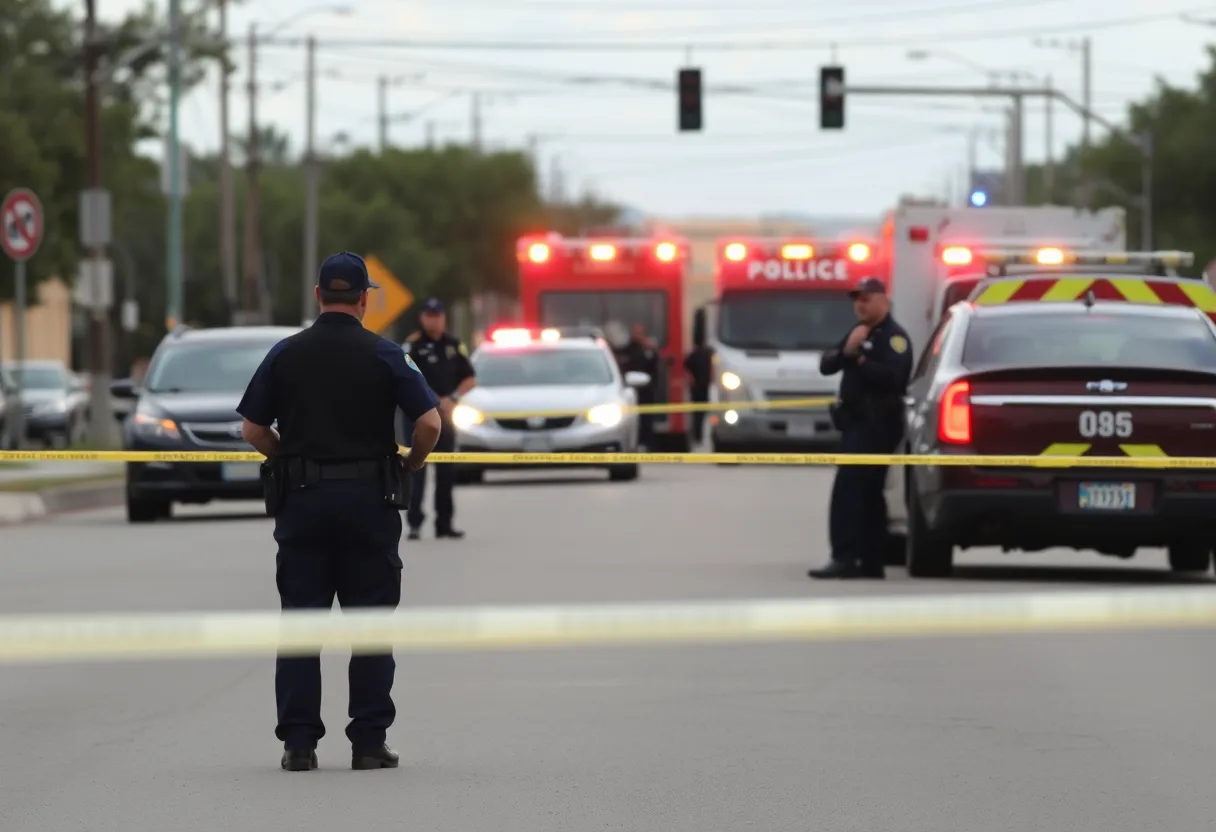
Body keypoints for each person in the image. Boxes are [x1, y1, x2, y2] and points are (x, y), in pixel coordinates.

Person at [236, 250, 443, 772]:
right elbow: (431, 424)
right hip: (369, 503)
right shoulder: (386, 354)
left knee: (302, 624)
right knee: (370, 624)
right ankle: (369, 742)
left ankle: (299, 745)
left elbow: (254, 430)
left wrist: (290, 457)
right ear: (365, 299)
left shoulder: (286, 353)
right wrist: (411, 463)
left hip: (303, 502)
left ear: (318, 297)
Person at [808, 277, 912, 580]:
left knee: (849, 491)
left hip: (877, 425)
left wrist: (860, 359)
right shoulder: (857, 333)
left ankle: (844, 557)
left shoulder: (894, 338)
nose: (860, 304)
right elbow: (827, 364)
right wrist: (846, 352)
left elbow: (894, 378)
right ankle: (869, 562)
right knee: (867, 494)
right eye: (857, 299)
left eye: (867, 299)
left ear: (884, 301)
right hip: (856, 424)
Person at [403, 297, 477, 540]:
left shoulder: (454, 346)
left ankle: (444, 523)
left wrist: (452, 398)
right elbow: (409, 377)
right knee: (417, 470)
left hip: (447, 416)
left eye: (437, 316)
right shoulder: (413, 346)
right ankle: (414, 523)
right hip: (419, 417)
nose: (433, 320)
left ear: (443, 318)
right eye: (429, 316)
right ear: (422, 318)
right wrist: (434, 400)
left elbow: (470, 378)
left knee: (447, 471)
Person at [619, 322, 660, 449]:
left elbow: (654, 367)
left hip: (647, 389)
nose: (637, 335)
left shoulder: (649, 349)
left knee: (647, 419)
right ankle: (634, 444)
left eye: (640, 332)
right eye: (635, 332)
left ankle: (648, 443)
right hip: (632, 390)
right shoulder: (629, 349)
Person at [683, 340, 714, 446]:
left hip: (703, 387)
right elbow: (686, 366)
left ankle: (698, 436)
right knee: (698, 414)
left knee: (700, 414)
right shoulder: (702, 354)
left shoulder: (700, 354)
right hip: (698, 387)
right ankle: (697, 436)